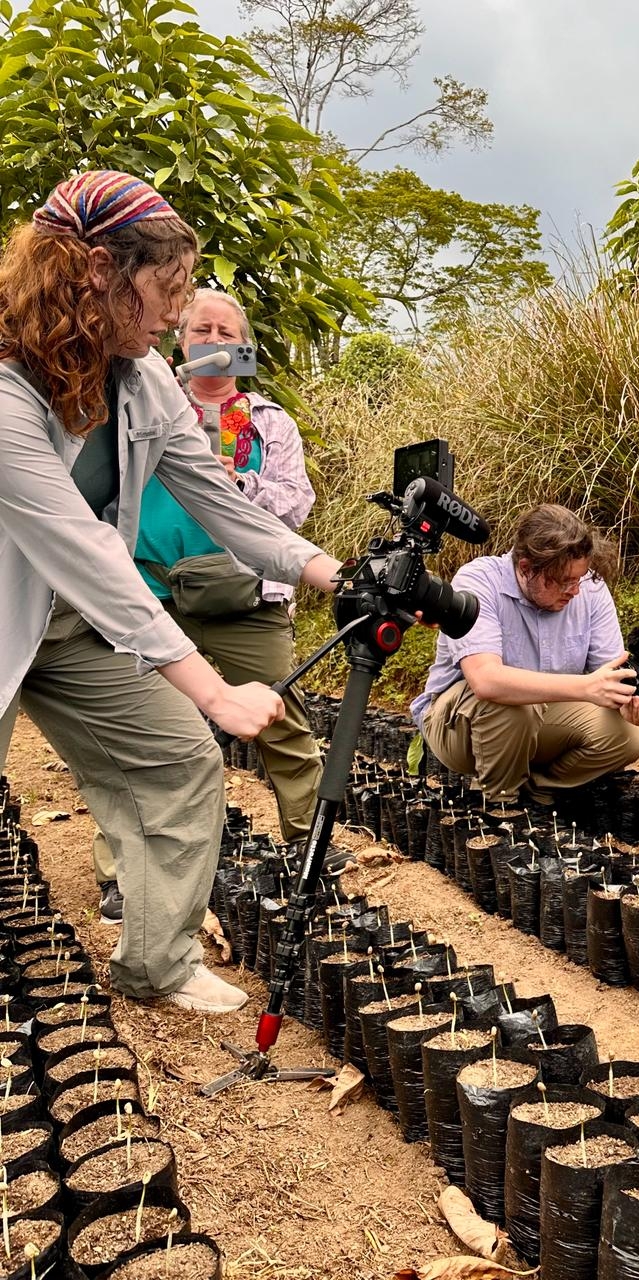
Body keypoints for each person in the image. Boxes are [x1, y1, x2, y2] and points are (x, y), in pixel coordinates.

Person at [0, 170, 341, 1013]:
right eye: (165, 290)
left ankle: (158, 964)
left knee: (178, 763)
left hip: (76, 624)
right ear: (96, 276)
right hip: (16, 609)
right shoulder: (5, 387)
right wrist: (212, 690)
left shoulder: (141, 377)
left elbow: (221, 502)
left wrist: (333, 571)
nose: (174, 316)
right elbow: (79, 546)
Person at [92, 288, 323, 924]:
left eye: (227, 330)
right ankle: (120, 872)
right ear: (179, 340)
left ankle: (311, 850)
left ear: (243, 344)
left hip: (245, 595)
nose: (214, 341)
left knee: (284, 719)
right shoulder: (141, 407)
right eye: (201, 330)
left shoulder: (268, 421)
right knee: (133, 731)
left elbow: (295, 505)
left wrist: (235, 482)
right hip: (151, 589)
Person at [409, 503, 639, 807]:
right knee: (515, 706)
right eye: (564, 581)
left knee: (630, 735)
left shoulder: (589, 588)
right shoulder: (479, 581)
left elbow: (609, 674)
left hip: (539, 719)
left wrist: (628, 701)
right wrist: (588, 687)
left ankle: (538, 791)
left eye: (580, 577)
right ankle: (500, 803)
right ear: (525, 568)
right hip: (460, 727)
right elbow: (486, 682)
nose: (575, 590)